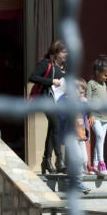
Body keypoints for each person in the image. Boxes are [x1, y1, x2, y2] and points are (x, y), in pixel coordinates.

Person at [28, 39, 67, 174]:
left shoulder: (64, 68)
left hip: (58, 102)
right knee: (55, 125)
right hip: (45, 100)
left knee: (52, 130)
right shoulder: (46, 64)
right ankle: (59, 160)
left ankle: (47, 161)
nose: (66, 55)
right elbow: (32, 77)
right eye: (63, 52)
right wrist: (51, 81)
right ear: (55, 52)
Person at [58, 78, 91, 194]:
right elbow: (62, 116)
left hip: (81, 134)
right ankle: (74, 182)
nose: (82, 94)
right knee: (77, 158)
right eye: (81, 92)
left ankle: (76, 181)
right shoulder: (63, 100)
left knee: (84, 160)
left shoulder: (80, 100)